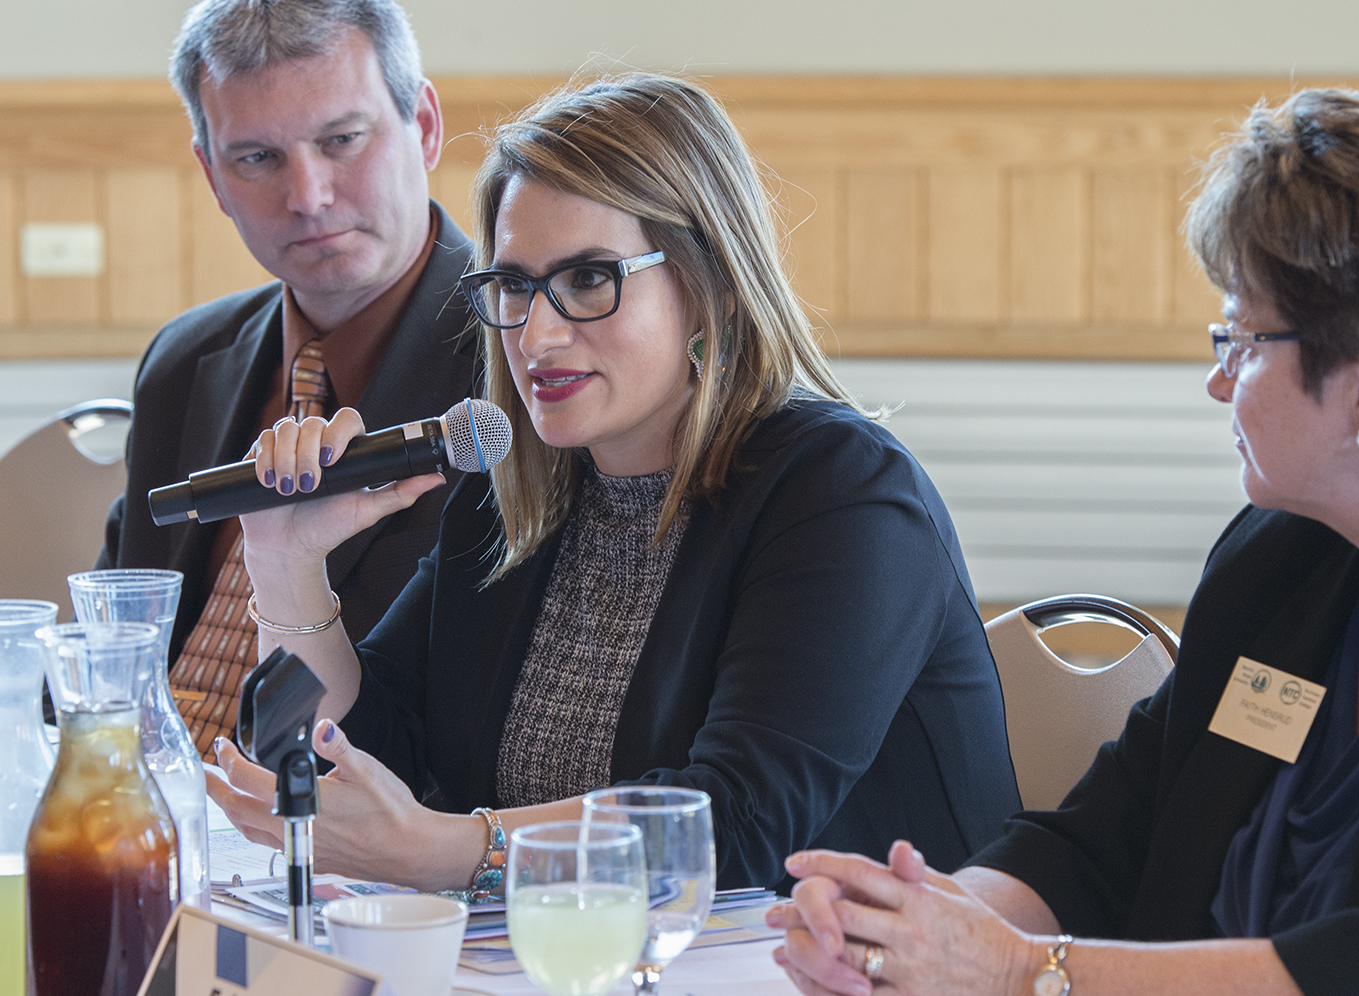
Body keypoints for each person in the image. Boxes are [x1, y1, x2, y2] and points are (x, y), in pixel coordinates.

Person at [207, 72, 1022, 893]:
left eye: (590, 279)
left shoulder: (844, 494)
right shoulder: (519, 491)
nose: (538, 334)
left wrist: (450, 851)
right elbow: (366, 754)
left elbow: (734, 825)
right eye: (516, 286)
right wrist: (285, 564)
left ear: (710, 289)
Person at [772, 84, 1359, 996]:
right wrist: (913, 926)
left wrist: (1014, 972)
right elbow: (1102, 841)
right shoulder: (1281, 563)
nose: (1217, 381)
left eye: (1241, 341)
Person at [98, 0, 477, 757]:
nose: (308, 195)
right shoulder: (183, 361)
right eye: (258, 158)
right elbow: (113, 642)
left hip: (347, 832)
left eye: (342, 139)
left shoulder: (524, 362)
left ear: (425, 126)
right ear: (211, 175)